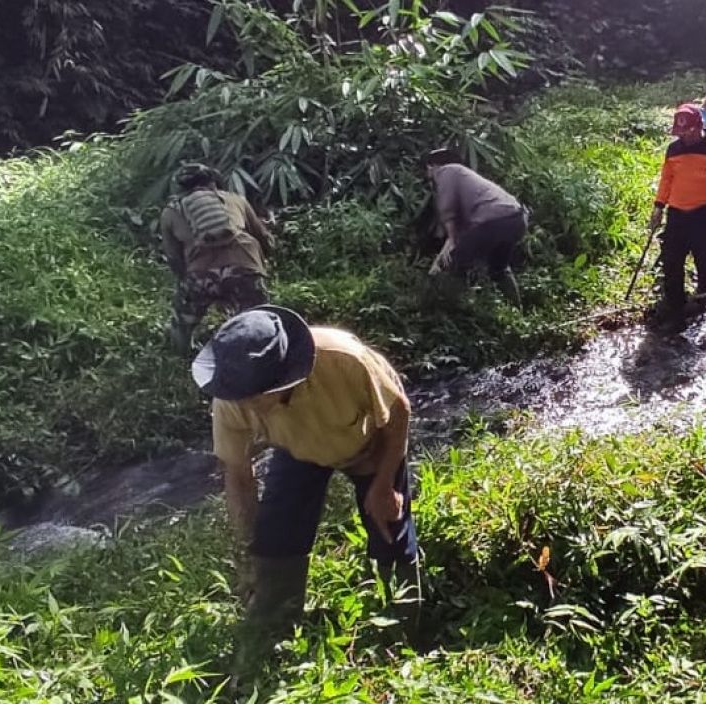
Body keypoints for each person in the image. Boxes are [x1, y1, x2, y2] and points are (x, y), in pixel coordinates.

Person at [196, 306, 420, 633]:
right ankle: (273, 635)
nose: (247, 406)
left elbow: (399, 412)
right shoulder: (230, 398)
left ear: (283, 379)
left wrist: (385, 484)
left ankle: (403, 632)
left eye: (257, 397)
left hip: (369, 440)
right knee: (273, 541)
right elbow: (238, 476)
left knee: (390, 529)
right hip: (298, 450)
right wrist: (247, 550)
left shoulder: (344, 360)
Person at [647, 104, 706, 332]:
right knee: (672, 266)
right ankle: (676, 317)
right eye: (680, 132)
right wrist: (658, 207)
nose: (684, 136)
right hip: (677, 215)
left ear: (699, 126)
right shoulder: (674, 150)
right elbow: (667, 179)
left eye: (688, 131)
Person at [161, 163, 276, 355]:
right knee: (260, 321)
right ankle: (264, 357)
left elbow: (173, 257)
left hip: (201, 275)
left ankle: (184, 355)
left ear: (180, 189)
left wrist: (186, 282)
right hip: (244, 268)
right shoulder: (236, 200)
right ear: (213, 183)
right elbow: (263, 239)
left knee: (182, 324)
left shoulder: (170, 213)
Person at [425, 149, 527, 307]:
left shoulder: (446, 171)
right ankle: (518, 311)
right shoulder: (466, 179)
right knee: (499, 269)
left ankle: (454, 315)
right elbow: (458, 231)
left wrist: (451, 243)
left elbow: (447, 209)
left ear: (432, 166)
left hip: (494, 220)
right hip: (516, 218)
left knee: (457, 265)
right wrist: (437, 263)